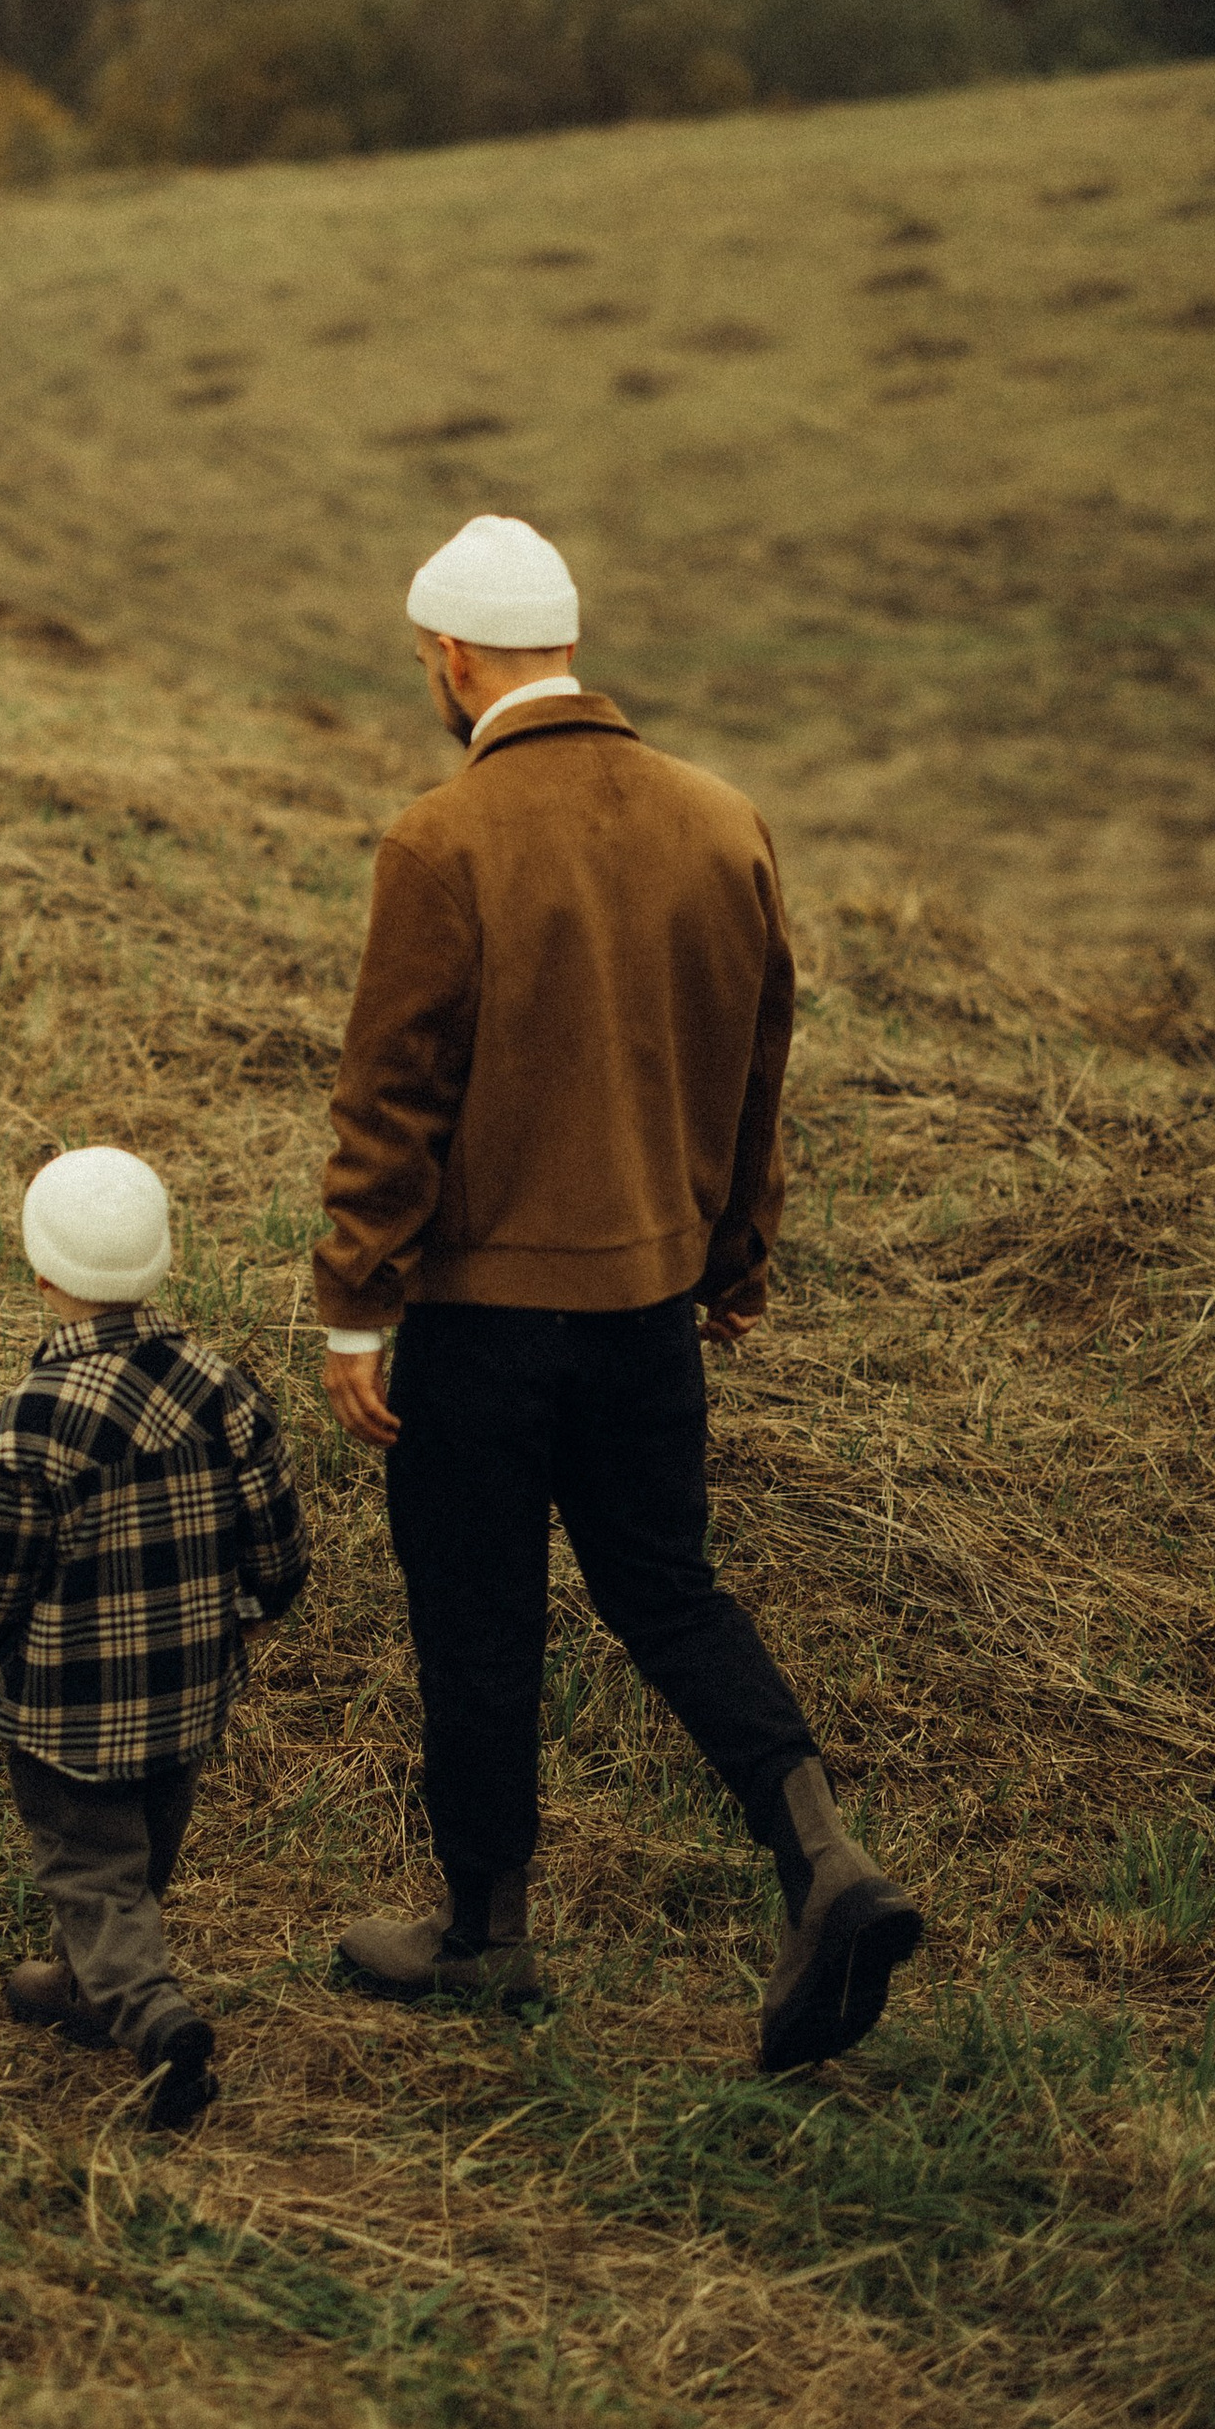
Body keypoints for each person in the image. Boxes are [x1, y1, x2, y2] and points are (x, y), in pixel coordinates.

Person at [315, 512, 922, 2072]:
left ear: (451, 659)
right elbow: (757, 1070)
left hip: (484, 1326)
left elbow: (393, 1106)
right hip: (651, 1307)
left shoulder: (440, 842)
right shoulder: (725, 822)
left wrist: (354, 1305)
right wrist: (735, 1260)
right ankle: (822, 1861)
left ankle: (485, 1935)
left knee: (478, 1616)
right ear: (567, 645)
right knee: (669, 1591)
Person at [0, 1149, 309, 2133]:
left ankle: (153, 2018)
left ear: (41, 1276)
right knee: (144, 1846)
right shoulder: (224, 1390)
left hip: (68, 1710)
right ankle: (87, 1985)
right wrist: (256, 1602)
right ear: (164, 1259)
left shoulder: (25, 1427)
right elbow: (277, 1543)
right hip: (189, 1688)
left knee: (89, 1866)